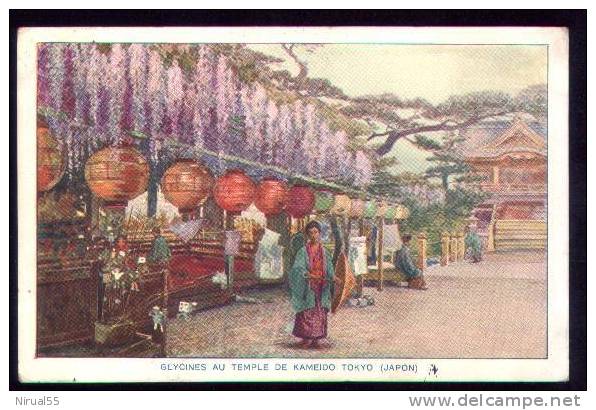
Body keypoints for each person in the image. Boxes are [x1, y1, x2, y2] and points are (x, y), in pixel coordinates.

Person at [289, 220, 336, 348]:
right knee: (307, 311)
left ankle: (316, 339)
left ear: (320, 233)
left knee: (320, 313)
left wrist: (334, 277)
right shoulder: (303, 251)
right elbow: (297, 269)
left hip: (322, 286)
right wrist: (308, 275)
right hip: (308, 286)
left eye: (316, 232)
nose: (313, 235)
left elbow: (330, 269)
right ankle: (306, 338)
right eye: (310, 233)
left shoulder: (325, 252)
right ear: (307, 235)